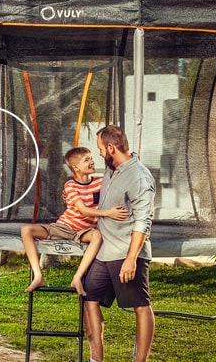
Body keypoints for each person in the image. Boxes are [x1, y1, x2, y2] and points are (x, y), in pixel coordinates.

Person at [83, 124, 156, 362]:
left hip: (126, 254)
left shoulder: (140, 177)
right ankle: (96, 359)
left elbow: (143, 222)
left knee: (141, 306)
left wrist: (131, 259)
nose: (100, 154)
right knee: (89, 298)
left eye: (101, 149)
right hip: (104, 252)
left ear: (111, 148)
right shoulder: (111, 169)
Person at [21, 146, 129, 294]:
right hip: (64, 226)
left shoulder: (100, 183)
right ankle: (38, 275)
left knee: (97, 236)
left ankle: (77, 277)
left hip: (84, 231)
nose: (91, 162)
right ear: (76, 167)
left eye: (91, 158)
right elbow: (83, 210)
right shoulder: (70, 185)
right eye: (87, 160)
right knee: (26, 230)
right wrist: (108, 213)